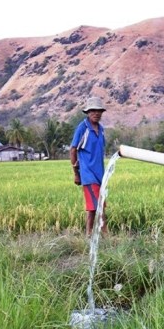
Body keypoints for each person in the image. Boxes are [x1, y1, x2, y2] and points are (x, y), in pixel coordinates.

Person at [70, 96, 108, 236]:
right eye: (93, 111)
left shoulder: (101, 129)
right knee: (100, 206)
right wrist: (76, 173)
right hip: (88, 174)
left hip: (100, 175)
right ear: (88, 112)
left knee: (93, 208)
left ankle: (88, 235)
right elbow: (73, 149)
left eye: (99, 111)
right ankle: (106, 235)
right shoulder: (82, 128)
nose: (96, 113)